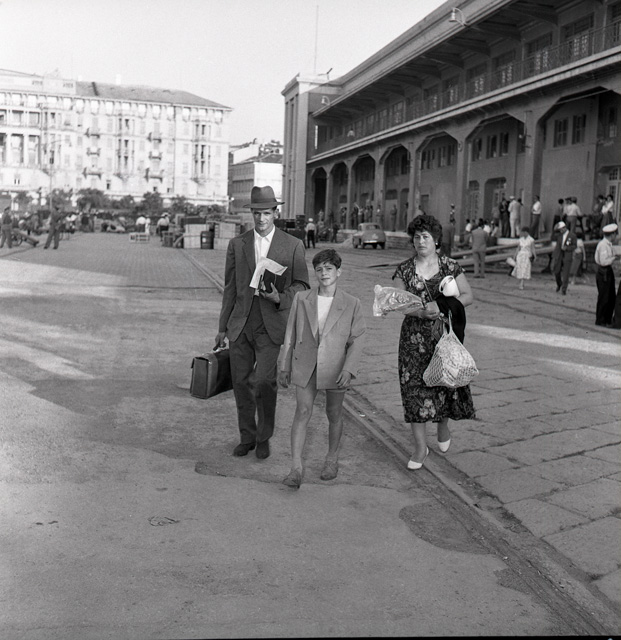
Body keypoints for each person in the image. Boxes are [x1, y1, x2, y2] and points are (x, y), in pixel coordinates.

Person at [214, 185, 310, 460]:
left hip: (271, 325)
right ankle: (247, 437)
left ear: (275, 213)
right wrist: (222, 327)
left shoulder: (292, 245)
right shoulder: (237, 244)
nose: (261, 218)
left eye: (266, 213)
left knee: (265, 382)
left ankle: (264, 436)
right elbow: (230, 288)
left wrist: (280, 297)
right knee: (241, 382)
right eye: (256, 213)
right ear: (251, 214)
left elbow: (302, 285)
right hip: (240, 324)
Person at [391, 214, 475, 469]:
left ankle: (442, 426)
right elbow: (398, 302)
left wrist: (441, 306)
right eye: (416, 237)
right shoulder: (404, 270)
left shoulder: (450, 266)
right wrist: (418, 312)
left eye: (425, 236)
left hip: (443, 337)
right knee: (413, 390)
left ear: (436, 239)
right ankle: (420, 448)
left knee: (445, 384)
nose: (420, 241)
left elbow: (468, 295)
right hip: (413, 341)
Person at [279, 249, 365, 489]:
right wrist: (284, 365)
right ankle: (296, 468)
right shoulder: (302, 298)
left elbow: (357, 339)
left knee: (334, 413)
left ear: (339, 272)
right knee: (302, 411)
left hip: (336, 367)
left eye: (329, 268)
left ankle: (331, 459)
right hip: (305, 363)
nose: (324, 273)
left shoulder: (352, 303)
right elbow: (290, 334)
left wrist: (348, 369)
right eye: (319, 269)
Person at [594, 223, 619, 327]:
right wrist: (614, 258)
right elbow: (604, 261)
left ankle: (607, 319)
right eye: (615, 234)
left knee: (611, 296)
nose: (616, 236)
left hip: (607, 271)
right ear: (612, 235)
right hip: (603, 272)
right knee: (605, 296)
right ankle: (601, 319)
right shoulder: (604, 245)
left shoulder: (608, 244)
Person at [551, 220, 577, 295]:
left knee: (566, 273)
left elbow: (574, 246)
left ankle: (564, 289)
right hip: (559, 254)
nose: (561, 231)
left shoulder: (572, 235)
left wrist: (567, 248)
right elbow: (554, 235)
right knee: (557, 270)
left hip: (567, 254)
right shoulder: (559, 235)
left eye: (561, 229)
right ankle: (559, 283)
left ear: (564, 228)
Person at [513, 226, 537, 290]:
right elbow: (518, 248)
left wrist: (535, 256)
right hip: (520, 255)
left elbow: (532, 248)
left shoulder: (531, 240)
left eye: (523, 232)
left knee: (525, 268)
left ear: (526, 232)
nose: (522, 234)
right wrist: (515, 255)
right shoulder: (521, 239)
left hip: (527, 255)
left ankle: (522, 282)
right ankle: (521, 281)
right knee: (520, 268)